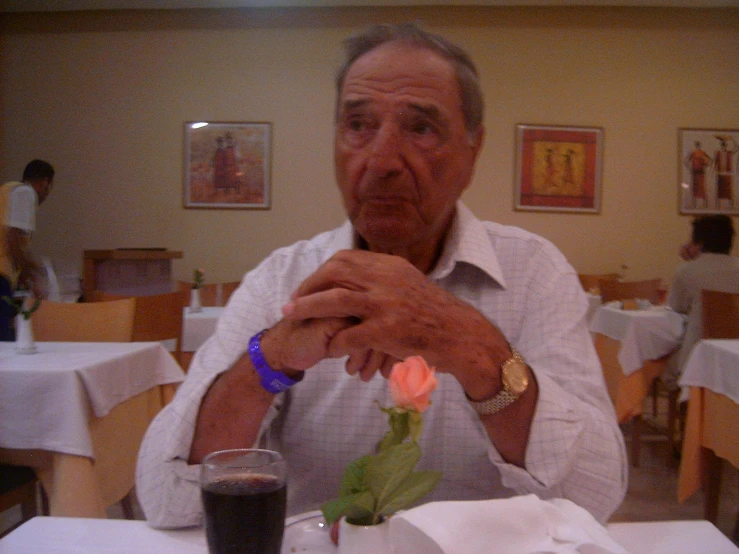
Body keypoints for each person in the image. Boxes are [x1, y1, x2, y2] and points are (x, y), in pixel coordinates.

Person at [136, 23, 627, 528]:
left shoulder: (534, 272)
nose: (382, 159)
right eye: (358, 125)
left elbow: (593, 496)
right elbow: (166, 499)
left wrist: (475, 351)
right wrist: (271, 358)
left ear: (473, 150)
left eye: (420, 128)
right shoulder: (281, 281)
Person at [665, 214, 739, 389]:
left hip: (698, 357)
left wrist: (688, 262)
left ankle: (688, 410)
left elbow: (677, 307)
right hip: (734, 354)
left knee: (665, 357)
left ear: (698, 242)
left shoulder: (687, 271)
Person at [0, 159, 55, 340]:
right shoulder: (26, 193)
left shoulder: (8, 191)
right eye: (48, 189)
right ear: (44, 183)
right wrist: (32, 275)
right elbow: (12, 239)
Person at [685, 140, 712, 209]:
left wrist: (706, 164)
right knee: (695, 188)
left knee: (701, 188)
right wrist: (689, 169)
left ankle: (704, 205)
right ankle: (695, 205)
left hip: (701, 172)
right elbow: (686, 161)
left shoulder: (702, 152)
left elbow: (710, 160)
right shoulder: (693, 152)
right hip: (695, 172)